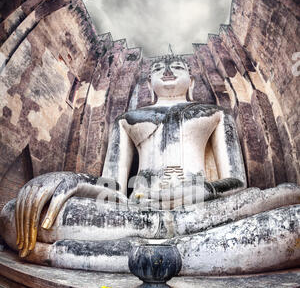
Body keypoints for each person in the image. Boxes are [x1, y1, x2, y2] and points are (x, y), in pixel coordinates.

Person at [1, 56, 299, 275]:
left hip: (204, 212)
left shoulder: (216, 114)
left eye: (177, 67)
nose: (167, 71)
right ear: (149, 83)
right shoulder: (129, 120)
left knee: (292, 203)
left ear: (192, 81)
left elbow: (237, 182)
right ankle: (184, 253)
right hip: (137, 213)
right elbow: (113, 188)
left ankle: (79, 255)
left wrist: (204, 189)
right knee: (16, 216)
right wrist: (74, 180)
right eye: (158, 68)